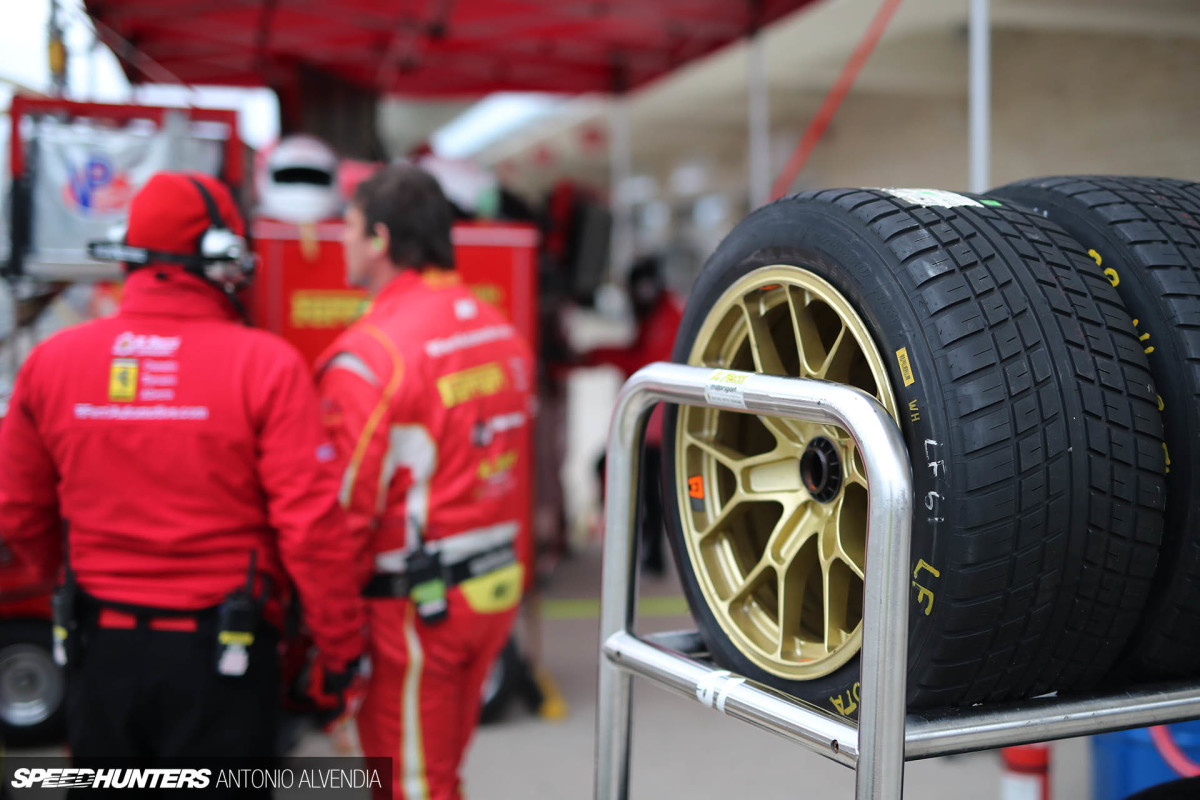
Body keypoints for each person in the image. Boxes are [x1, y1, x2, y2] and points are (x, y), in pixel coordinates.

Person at [0, 172, 366, 765]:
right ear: (222, 255)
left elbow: (18, 509)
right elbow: (311, 527)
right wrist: (341, 643)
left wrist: (75, 579)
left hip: (100, 647)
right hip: (226, 655)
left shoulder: (52, 363)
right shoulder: (266, 365)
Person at [316, 164, 533, 800]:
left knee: (411, 785)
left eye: (350, 227)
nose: (341, 241)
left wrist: (328, 641)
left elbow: (342, 517)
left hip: (415, 613)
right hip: (491, 591)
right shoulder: (499, 330)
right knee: (439, 774)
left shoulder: (370, 356)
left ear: (380, 238)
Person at [584, 255, 683, 575]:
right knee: (649, 491)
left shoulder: (668, 319)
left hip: (659, 424)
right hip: (654, 422)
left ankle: (647, 553)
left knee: (646, 489)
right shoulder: (659, 315)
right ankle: (648, 553)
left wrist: (593, 355)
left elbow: (642, 363)